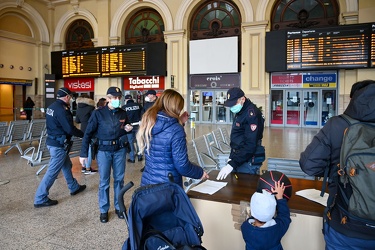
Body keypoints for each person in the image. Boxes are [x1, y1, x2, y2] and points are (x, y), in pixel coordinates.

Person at [299, 80, 375, 249]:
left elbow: (308, 165)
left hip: (345, 225)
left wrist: (336, 171)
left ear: (354, 99)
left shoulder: (338, 125)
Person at [79, 87, 133, 223]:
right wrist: (83, 153)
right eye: (114, 98)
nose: (117, 100)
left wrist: (128, 127)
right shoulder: (98, 114)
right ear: (108, 98)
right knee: (104, 182)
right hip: (103, 151)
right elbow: (88, 134)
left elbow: (126, 126)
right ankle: (104, 210)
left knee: (119, 180)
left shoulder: (122, 113)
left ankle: (119, 207)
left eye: (118, 97)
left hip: (119, 150)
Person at [136, 89, 209, 187]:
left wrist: (179, 121)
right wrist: (199, 173)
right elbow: (182, 165)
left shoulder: (149, 122)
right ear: (176, 107)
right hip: (168, 186)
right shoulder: (176, 130)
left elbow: (165, 133)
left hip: (148, 182)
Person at [34, 87, 86, 208]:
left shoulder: (52, 107)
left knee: (67, 165)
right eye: (71, 97)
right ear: (67, 97)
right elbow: (69, 129)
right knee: (52, 171)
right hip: (59, 145)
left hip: (53, 142)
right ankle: (40, 198)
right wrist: (84, 135)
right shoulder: (62, 110)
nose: (71, 99)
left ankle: (74, 187)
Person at [216, 87, 265, 180]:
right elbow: (237, 137)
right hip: (239, 157)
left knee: (245, 188)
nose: (232, 107)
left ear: (242, 99)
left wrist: (233, 164)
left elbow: (250, 145)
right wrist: (232, 157)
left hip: (248, 160)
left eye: (234, 103)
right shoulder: (241, 111)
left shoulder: (252, 114)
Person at [241, 181, 291, 250]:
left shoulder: (245, 227)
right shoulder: (277, 228)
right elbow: (285, 216)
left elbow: (256, 215)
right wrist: (280, 198)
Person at [75, 94, 97, 174]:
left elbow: (77, 121)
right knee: (90, 149)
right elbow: (94, 120)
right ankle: (88, 168)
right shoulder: (91, 108)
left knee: (84, 147)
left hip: (82, 130)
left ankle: (83, 167)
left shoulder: (78, 108)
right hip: (90, 131)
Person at [122, 94, 143, 163]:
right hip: (138, 126)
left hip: (129, 127)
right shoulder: (138, 105)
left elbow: (123, 118)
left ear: (126, 100)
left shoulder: (124, 107)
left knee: (130, 142)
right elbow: (142, 114)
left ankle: (132, 158)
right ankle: (140, 156)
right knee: (138, 141)